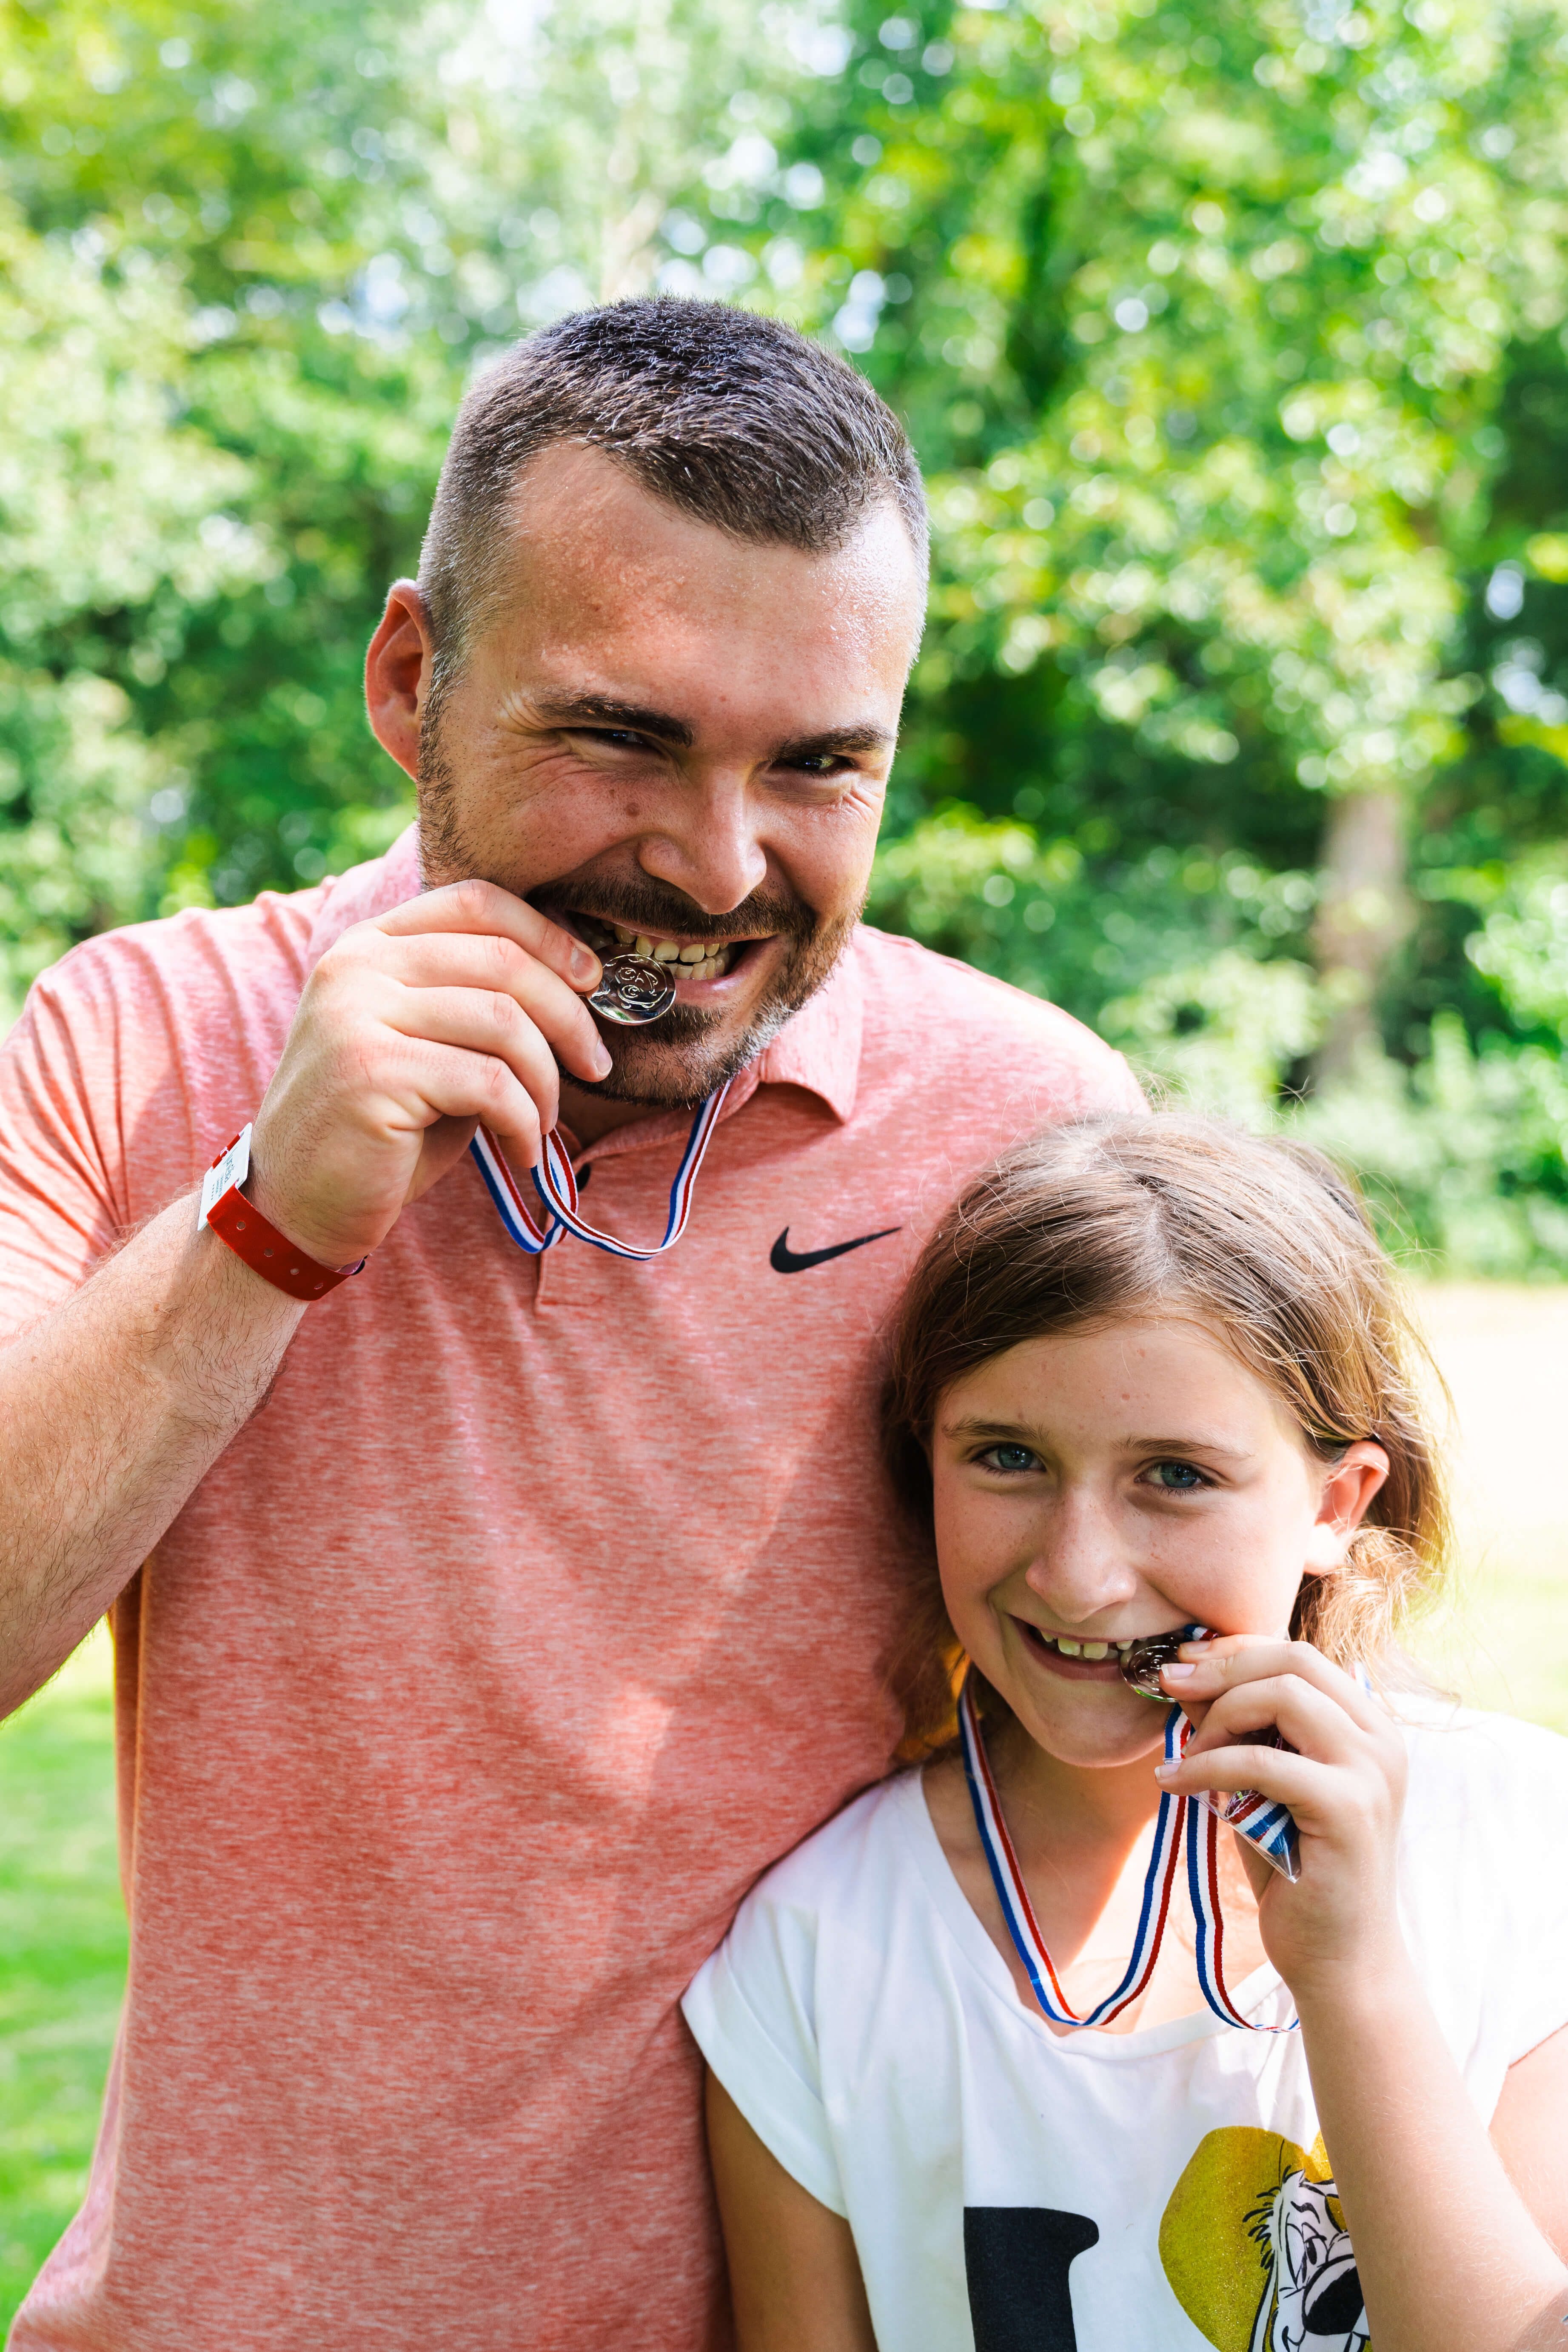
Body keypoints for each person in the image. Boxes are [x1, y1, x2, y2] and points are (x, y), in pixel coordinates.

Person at [0, 298, 1140, 2350]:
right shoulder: (136, 1033)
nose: (715, 867)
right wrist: (265, 1226)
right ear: (412, 676)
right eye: (620, 738)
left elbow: (1190, 1753)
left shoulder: (1030, 1122)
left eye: (818, 767)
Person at [686, 1114, 1568, 2352]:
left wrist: (1353, 1969)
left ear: (1333, 1501)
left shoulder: (1524, 1844)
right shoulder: (818, 1951)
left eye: (1175, 1475)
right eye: (1006, 1456)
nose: (1081, 1573)